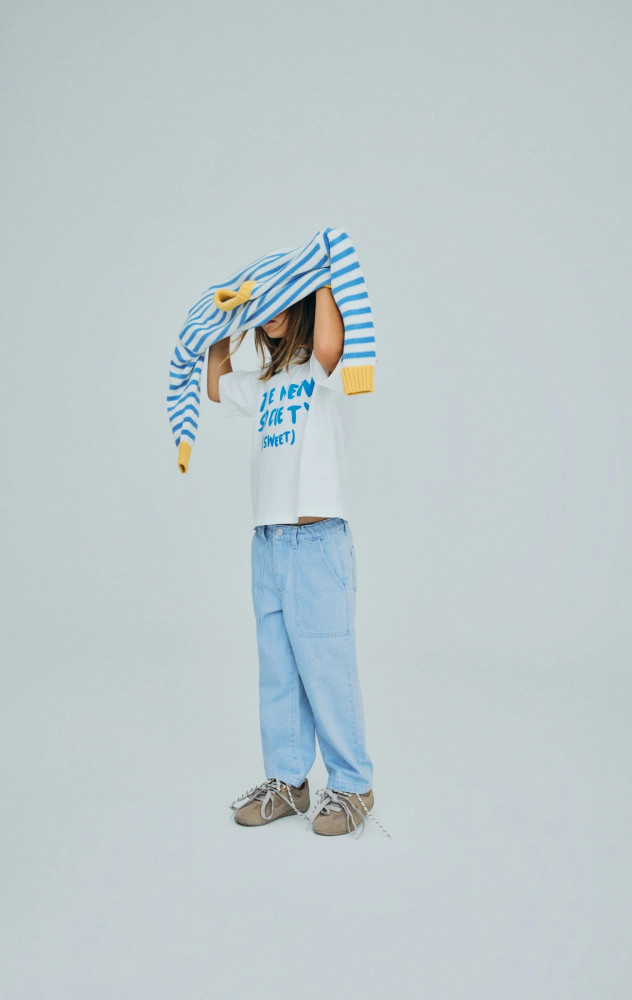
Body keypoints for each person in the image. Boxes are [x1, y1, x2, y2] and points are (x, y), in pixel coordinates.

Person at [206, 285, 377, 838]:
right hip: (268, 544)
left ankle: (353, 784)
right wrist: (225, 318)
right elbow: (215, 385)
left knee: (326, 667)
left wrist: (319, 275)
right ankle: (287, 781)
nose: (271, 313)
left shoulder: (328, 371)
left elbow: (326, 343)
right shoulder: (265, 383)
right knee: (278, 670)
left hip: (316, 541)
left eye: (284, 299)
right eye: (265, 306)